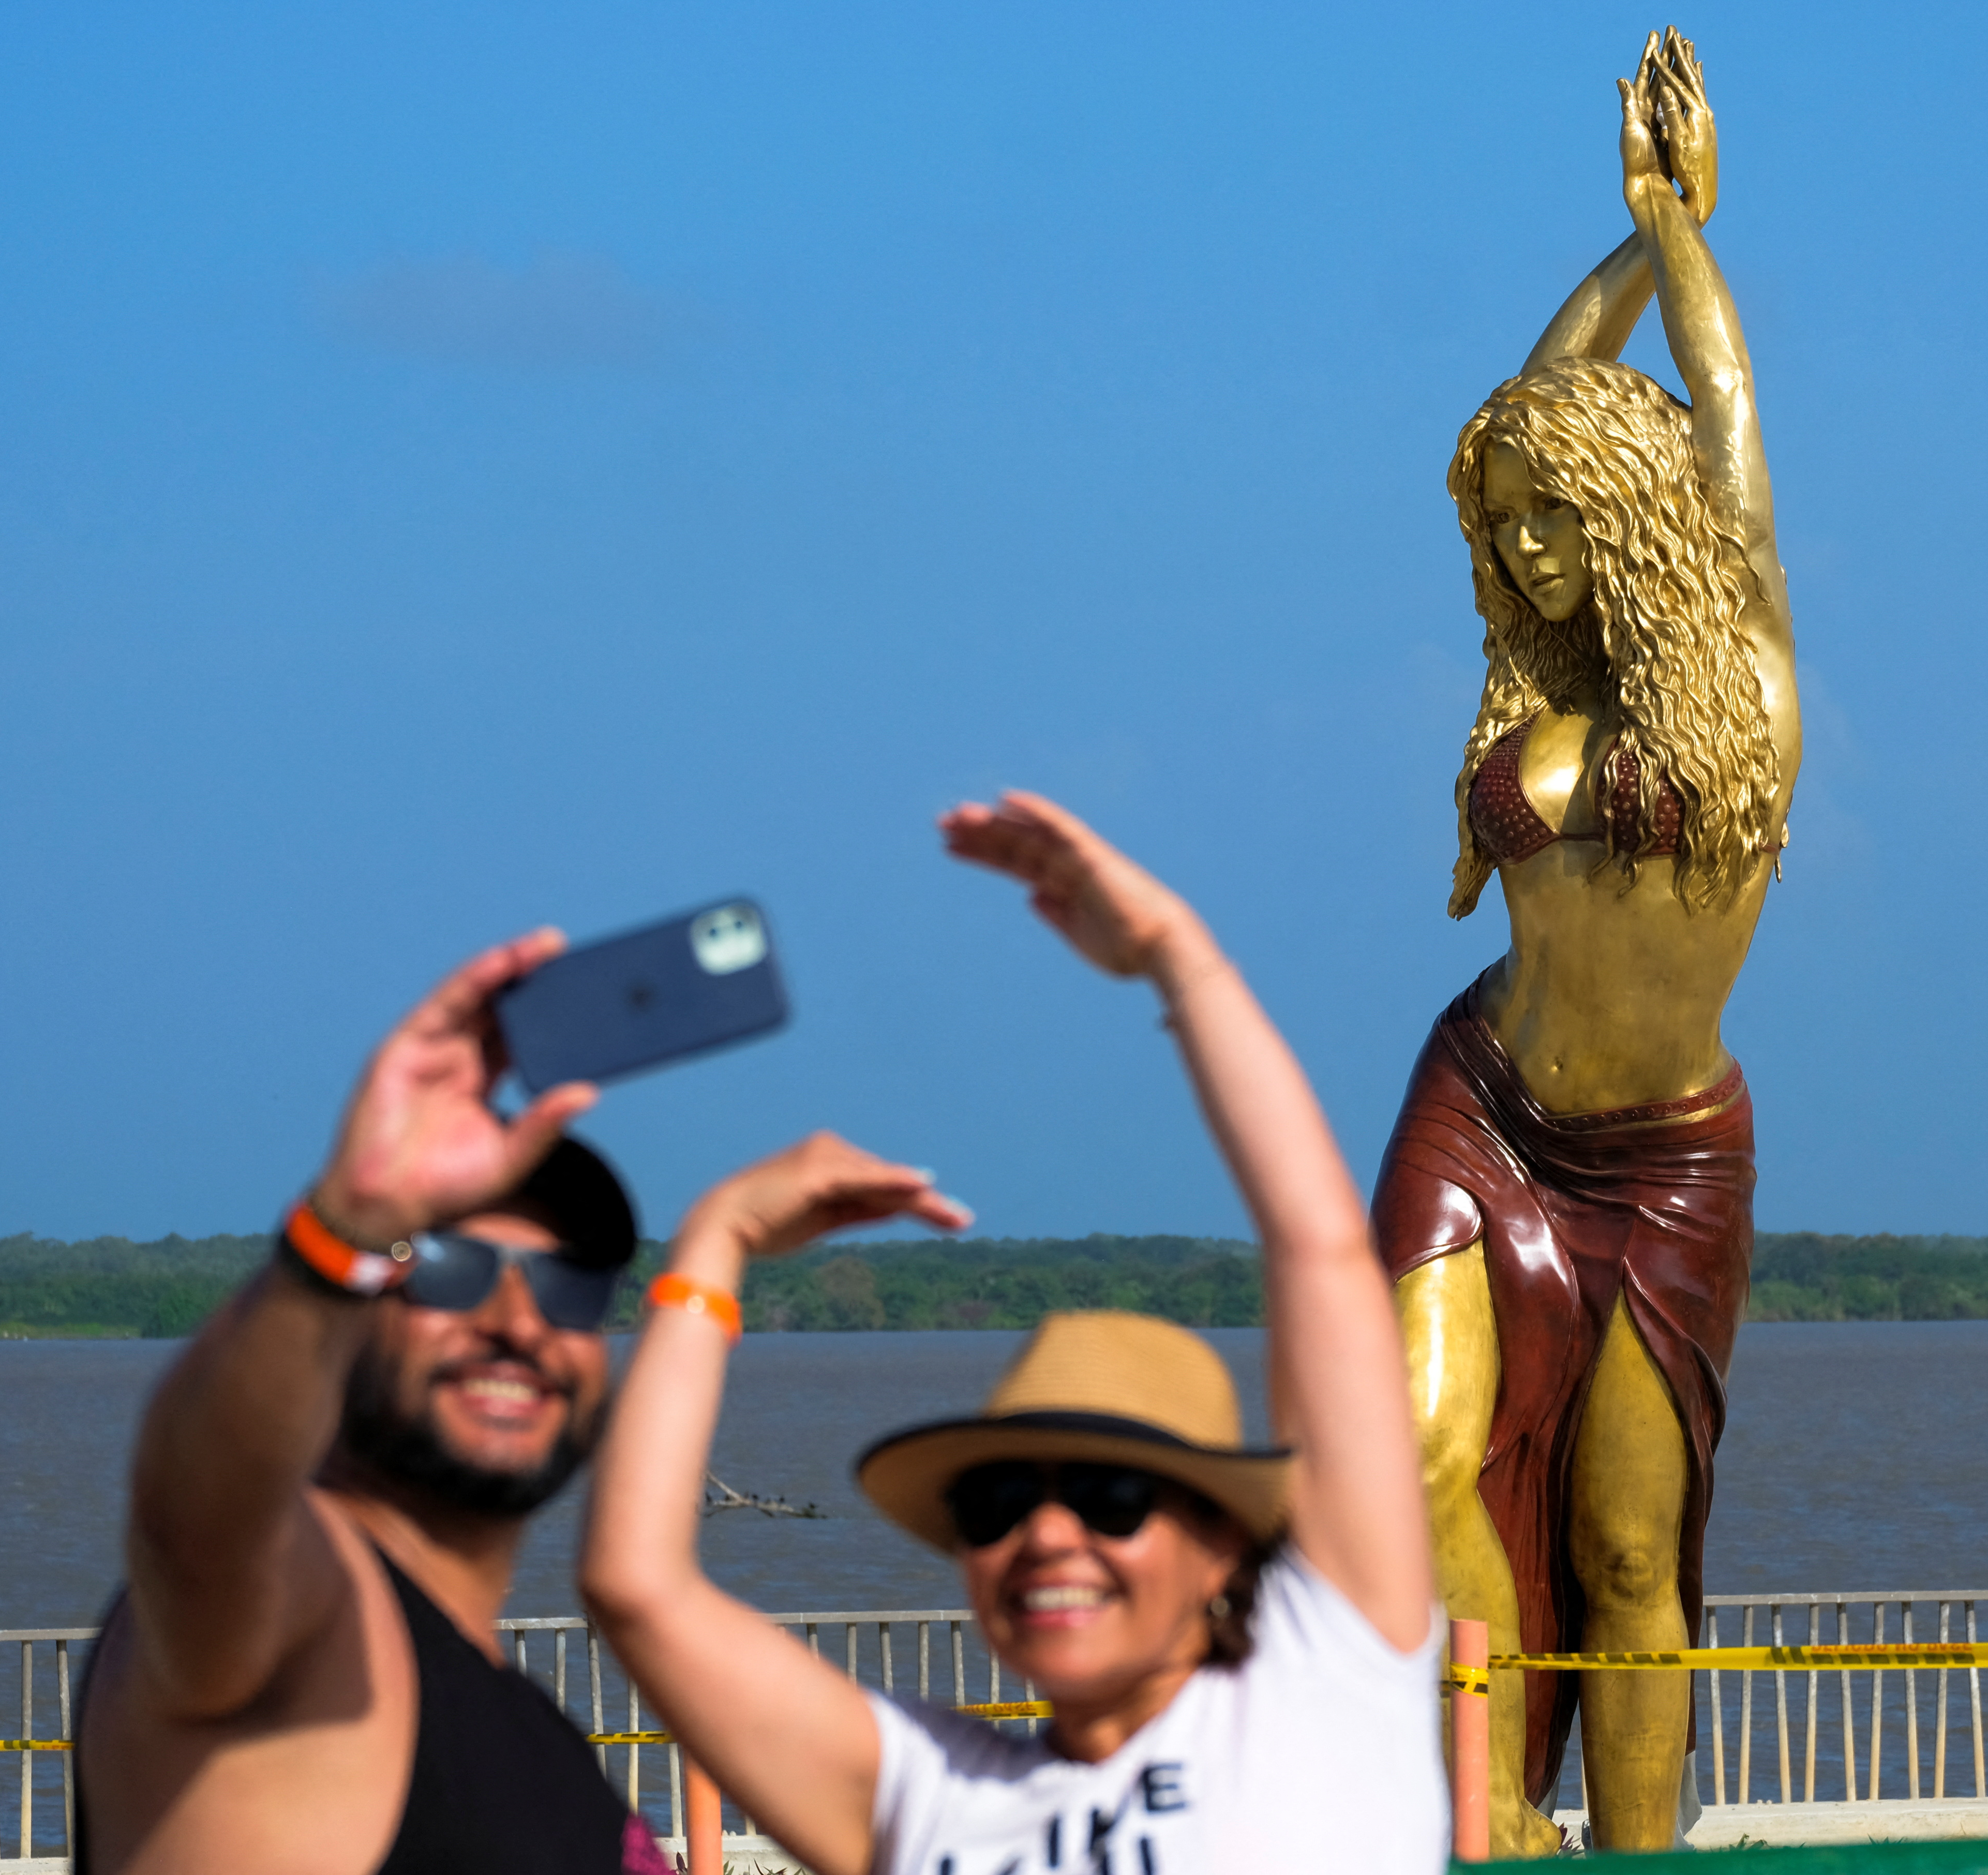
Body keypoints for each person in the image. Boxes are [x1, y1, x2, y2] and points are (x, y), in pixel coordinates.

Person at [579, 792, 1446, 1875]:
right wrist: (712, 1245)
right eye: (995, 1505)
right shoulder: (936, 1794)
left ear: (1222, 1542)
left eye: (1111, 1497)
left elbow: (1316, 1254)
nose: (1044, 1536)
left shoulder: (1328, 1684)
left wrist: (1182, 964)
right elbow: (637, 1588)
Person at [69, 930, 941, 1875]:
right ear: (357, 1305)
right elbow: (198, 1524)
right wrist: (344, 1226)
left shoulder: (514, 1721)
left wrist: (714, 1245)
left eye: (569, 1285)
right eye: (450, 1267)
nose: (517, 1322)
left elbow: (644, 1587)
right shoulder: (313, 1624)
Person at [1373, 29, 1802, 1855]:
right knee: (1409, 1453)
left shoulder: (1752, 679)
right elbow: (1538, 395)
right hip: (1480, 1100)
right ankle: (1488, 1821)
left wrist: (1680, 234)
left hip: (1661, 1156)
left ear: (1636, 522)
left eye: (1565, 518)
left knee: (1631, 1545)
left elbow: (1715, 410)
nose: (1534, 552)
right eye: (1512, 524)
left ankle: (1635, 1851)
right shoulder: (1531, 678)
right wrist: (1621, 239)